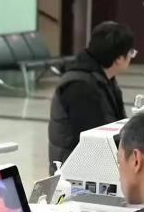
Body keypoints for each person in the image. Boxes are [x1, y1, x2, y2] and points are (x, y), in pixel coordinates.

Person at [48, 21, 134, 173]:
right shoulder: (79, 87)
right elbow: (94, 141)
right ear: (119, 58)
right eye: (131, 53)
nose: (132, 57)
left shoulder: (104, 79)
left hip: (95, 166)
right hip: (75, 173)